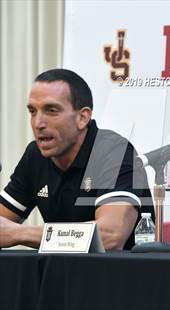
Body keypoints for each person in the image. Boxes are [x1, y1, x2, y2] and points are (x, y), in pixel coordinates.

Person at [0, 69, 153, 250]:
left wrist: (20, 233)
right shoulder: (35, 155)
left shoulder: (113, 151)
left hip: (119, 275)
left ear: (83, 118)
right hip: (62, 274)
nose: (38, 123)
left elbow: (111, 235)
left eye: (51, 110)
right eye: (33, 111)